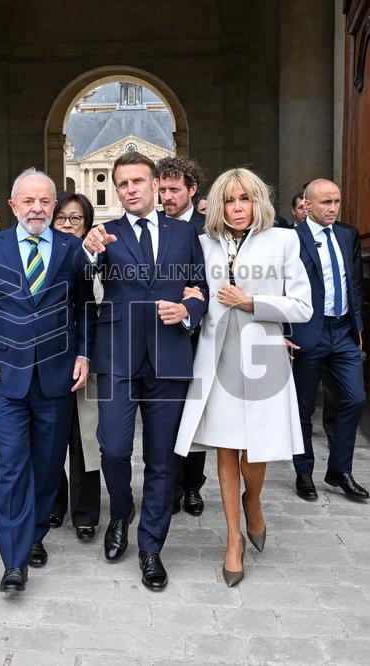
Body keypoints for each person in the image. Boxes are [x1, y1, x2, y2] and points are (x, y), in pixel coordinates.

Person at [174, 168, 312, 586]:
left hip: (262, 355)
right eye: (230, 200)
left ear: (258, 201)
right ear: (218, 205)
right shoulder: (201, 244)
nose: (238, 208)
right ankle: (233, 539)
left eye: (245, 199)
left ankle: (254, 502)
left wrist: (253, 302)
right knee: (226, 446)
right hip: (216, 357)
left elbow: (303, 307)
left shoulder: (284, 240)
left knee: (256, 449)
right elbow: (192, 292)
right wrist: (189, 298)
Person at [81, 151, 208, 591]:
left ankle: (151, 547)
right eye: (122, 184)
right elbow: (82, 278)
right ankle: (120, 512)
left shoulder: (186, 232)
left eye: (138, 180)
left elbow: (201, 287)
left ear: (156, 184)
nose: (130, 189)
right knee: (113, 448)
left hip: (169, 357)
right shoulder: (105, 235)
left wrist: (188, 308)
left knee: (162, 458)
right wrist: (89, 252)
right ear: (116, 190)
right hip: (117, 353)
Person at [0, 169, 94, 593]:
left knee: (47, 465)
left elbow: (84, 307)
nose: (37, 209)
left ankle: (35, 531)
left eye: (45, 201)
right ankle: (14, 559)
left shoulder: (72, 249)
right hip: (5, 377)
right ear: (13, 204)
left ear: (54, 206)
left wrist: (84, 353)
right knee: (13, 464)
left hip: (56, 377)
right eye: (28, 201)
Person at [286, 179, 370, 502]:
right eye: (325, 203)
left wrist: (358, 326)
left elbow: (355, 283)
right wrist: (284, 331)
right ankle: (303, 471)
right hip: (308, 331)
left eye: (336, 201)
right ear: (307, 204)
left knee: (354, 398)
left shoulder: (348, 235)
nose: (333, 208)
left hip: (344, 331)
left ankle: (339, 469)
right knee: (303, 407)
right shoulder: (292, 239)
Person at [46, 192, 102, 542]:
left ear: (87, 224)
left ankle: (86, 513)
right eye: (61, 218)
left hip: (90, 357)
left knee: (85, 439)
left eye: (75, 219)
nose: (67, 225)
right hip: (51, 358)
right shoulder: (44, 254)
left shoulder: (98, 255)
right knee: (51, 436)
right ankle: (54, 503)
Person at [156, 155, 209, 516]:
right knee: (170, 417)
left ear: (193, 189)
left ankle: (193, 485)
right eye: (161, 190)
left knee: (200, 413)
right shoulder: (154, 225)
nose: (167, 197)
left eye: (174, 189)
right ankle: (171, 486)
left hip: (204, 333)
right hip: (164, 334)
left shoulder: (211, 230)